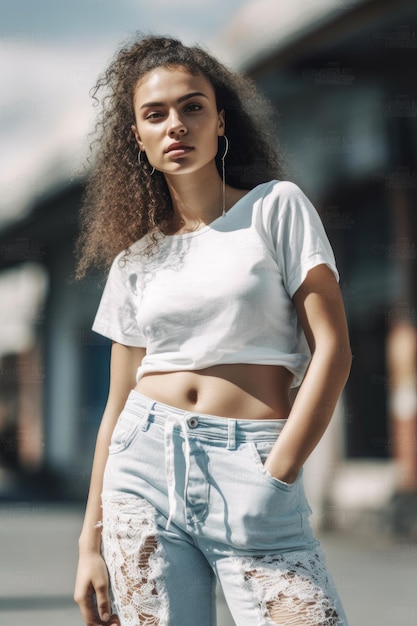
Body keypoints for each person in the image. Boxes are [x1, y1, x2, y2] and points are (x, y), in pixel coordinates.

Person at [73, 34, 352, 626]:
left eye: (192, 106)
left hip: (251, 463)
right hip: (140, 471)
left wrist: (280, 470)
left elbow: (333, 350)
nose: (176, 124)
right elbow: (116, 403)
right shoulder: (135, 260)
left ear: (220, 121)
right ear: (137, 138)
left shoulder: (277, 207)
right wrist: (89, 541)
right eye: (156, 114)